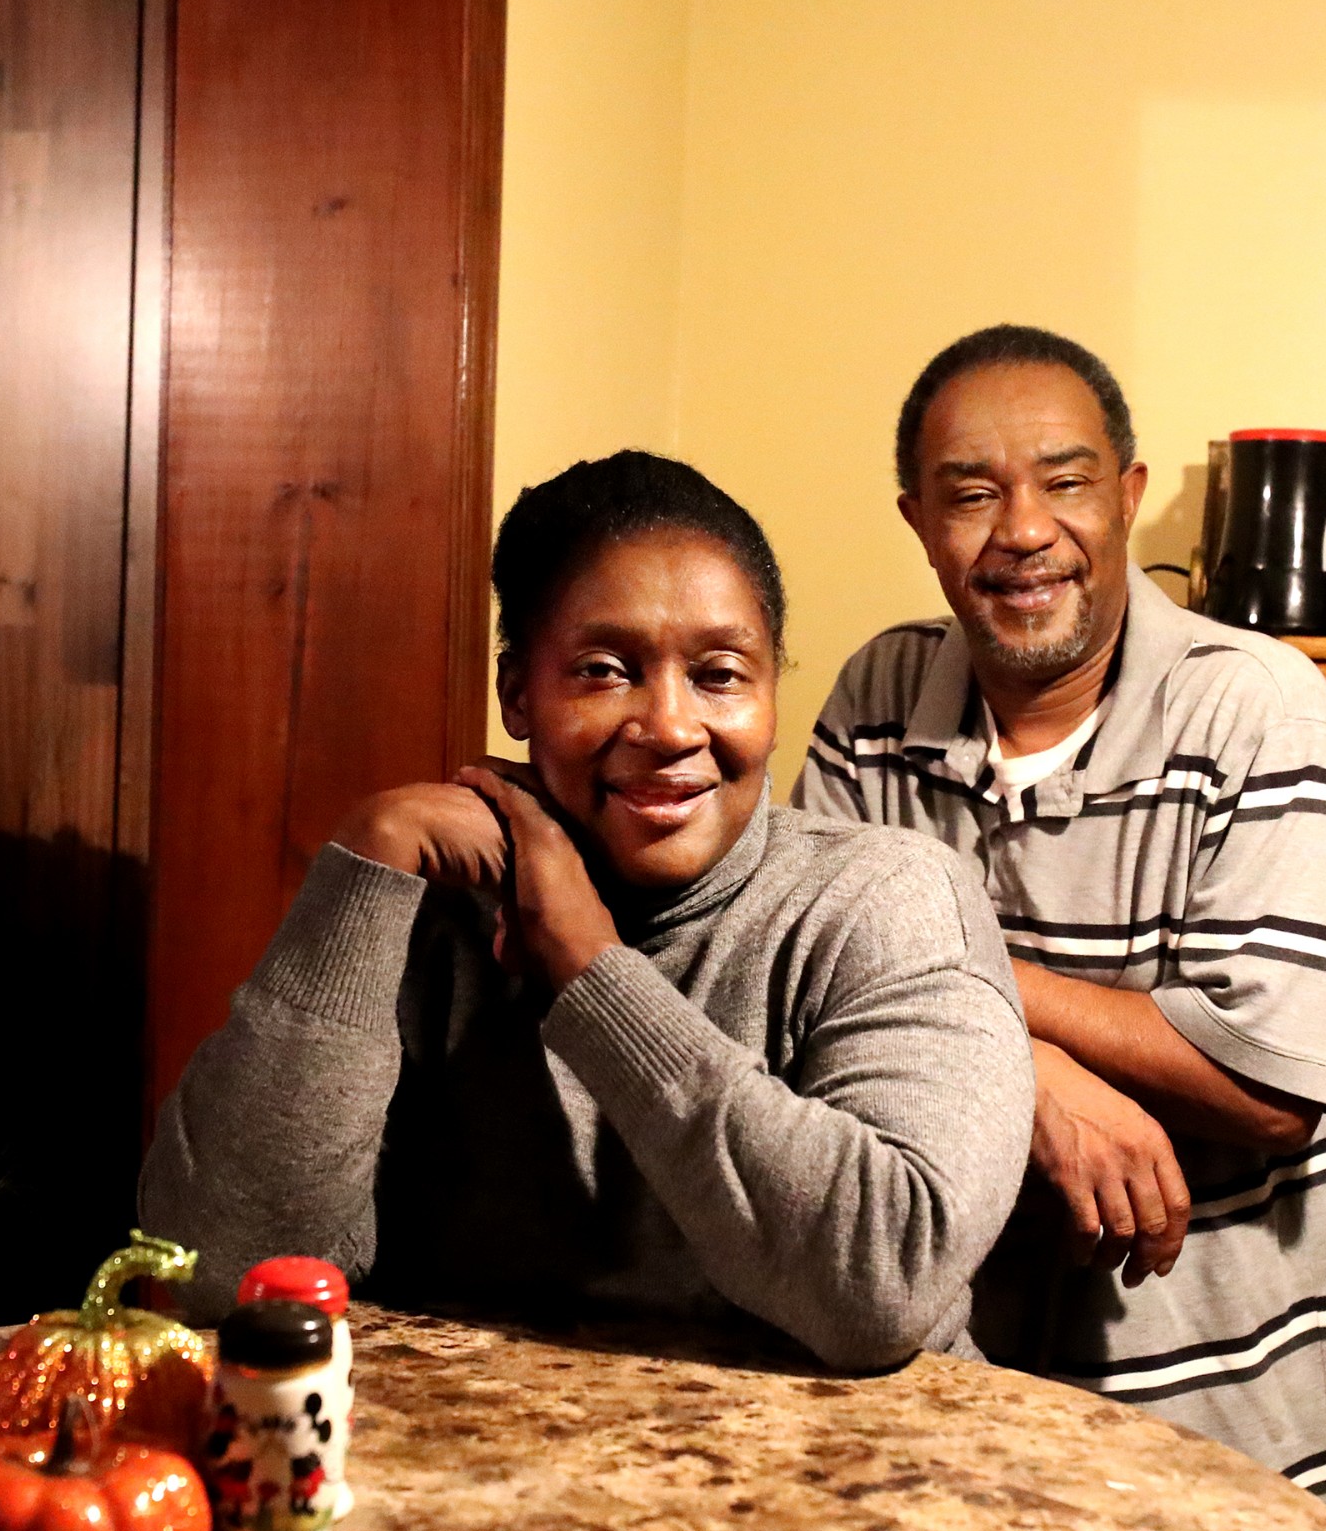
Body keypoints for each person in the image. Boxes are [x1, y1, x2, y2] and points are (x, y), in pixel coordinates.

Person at [140, 450, 1034, 1370]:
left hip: (854, 1488)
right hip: (491, 1476)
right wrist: (368, 855)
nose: (673, 727)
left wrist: (591, 968)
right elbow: (224, 1274)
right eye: (606, 671)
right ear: (518, 693)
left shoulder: (883, 902)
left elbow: (882, 1285)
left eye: (721, 673)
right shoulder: (427, 914)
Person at [795, 326, 1326, 1506]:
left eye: (1063, 483)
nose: (1021, 530)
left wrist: (966, 1006)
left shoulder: (1258, 708)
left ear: (1127, 497)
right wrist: (1039, 1077)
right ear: (917, 522)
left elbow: (1272, 1091)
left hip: (1222, 1463)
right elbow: (795, 1003)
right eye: (971, 495)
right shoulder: (875, 699)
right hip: (944, 1433)